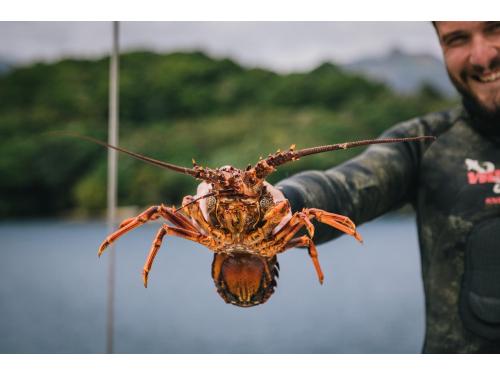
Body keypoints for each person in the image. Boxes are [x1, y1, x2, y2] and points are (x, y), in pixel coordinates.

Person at [275, 21, 500, 353]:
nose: (481, 57)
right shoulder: (423, 143)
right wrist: (276, 201)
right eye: (457, 39)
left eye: (495, 28)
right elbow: (344, 189)